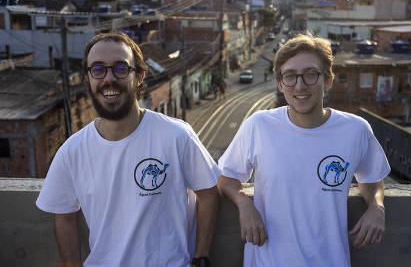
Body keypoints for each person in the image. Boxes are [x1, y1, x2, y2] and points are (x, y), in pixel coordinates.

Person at [36, 33, 220, 267]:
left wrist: (201, 258)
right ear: (88, 78)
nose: (109, 78)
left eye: (121, 68)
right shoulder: (72, 152)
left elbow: (208, 193)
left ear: (139, 76)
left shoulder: (176, 135)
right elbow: (63, 216)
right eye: (98, 69)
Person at [217, 33, 390, 267]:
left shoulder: (355, 130)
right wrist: (244, 204)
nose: (300, 86)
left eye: (310, 75)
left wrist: (377, 206)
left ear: (328, 79)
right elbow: (226, 177)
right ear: (280, 83)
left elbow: (371, 179)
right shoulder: (259, 125)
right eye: (290, 76)